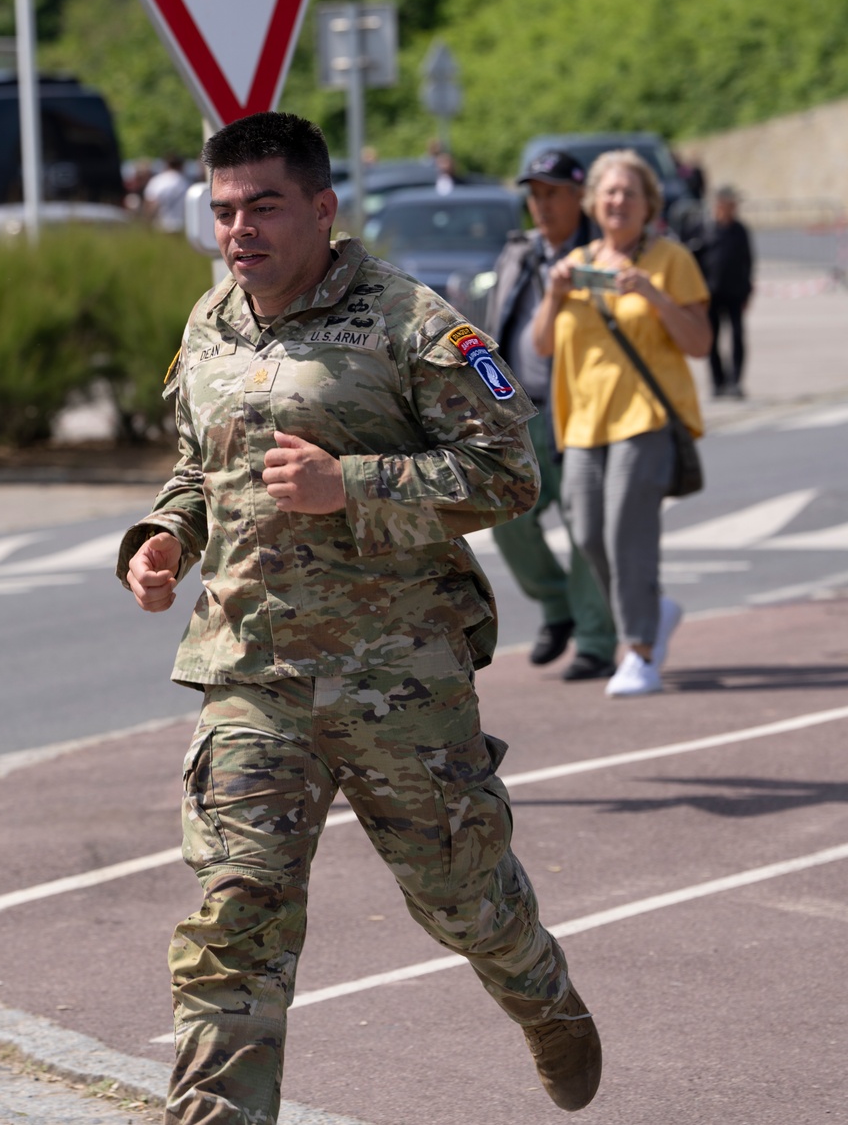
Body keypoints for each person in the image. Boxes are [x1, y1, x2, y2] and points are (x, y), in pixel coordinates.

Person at [118, 112, 601, 1123]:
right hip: (252, 674)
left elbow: (509, 472)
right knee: (234, 916)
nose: (239, 231)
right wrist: (162, 539)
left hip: (400, 682)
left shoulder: (409, 322)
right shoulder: (210, 324)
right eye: (223, 212)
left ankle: (539, 992)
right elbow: (197, 470)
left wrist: (355, 482)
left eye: (263, 207)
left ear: (324, 209)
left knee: (460, 895)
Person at [532, 149, 711, 699]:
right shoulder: (579, 261)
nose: (618, 201)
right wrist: (556, 294)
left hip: (645, 418)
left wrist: (652, 295)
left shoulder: (669, 259)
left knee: (625, 535)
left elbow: (700, 343)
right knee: (587, 535)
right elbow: (540, 347)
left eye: (629, 193)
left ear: (648, 204)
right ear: (594, 203)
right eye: (609, 192)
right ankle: (652, 612)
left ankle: (639, 653)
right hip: (583, 423)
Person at [486, 150, 618, 682]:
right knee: (505, 518)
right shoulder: (520, 251)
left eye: (552, 193)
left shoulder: (603, 254)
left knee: (587, 527)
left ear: (578, 197)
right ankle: (557, 603)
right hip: (521, 412)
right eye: (534, 195)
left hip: (586, 409)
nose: (540, 205)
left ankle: (595, 638)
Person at [698, 186, 755, 398]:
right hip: (711, 294)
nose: (732, 209)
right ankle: (717, 382)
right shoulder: (705, 229)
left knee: (738, 337)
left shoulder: (740, 230)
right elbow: (697, 262)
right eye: (728, 205)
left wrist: (748, 291)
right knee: (711, 339)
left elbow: (748, 262)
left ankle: (735, 382)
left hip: (735, 293)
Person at [144, 153, 189, 232]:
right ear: (181, 166)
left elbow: (152, 204)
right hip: (181, 226)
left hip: (161, 226)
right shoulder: (185, 182)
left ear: (166, 164)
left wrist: (147, 224)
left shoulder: (158, 181)